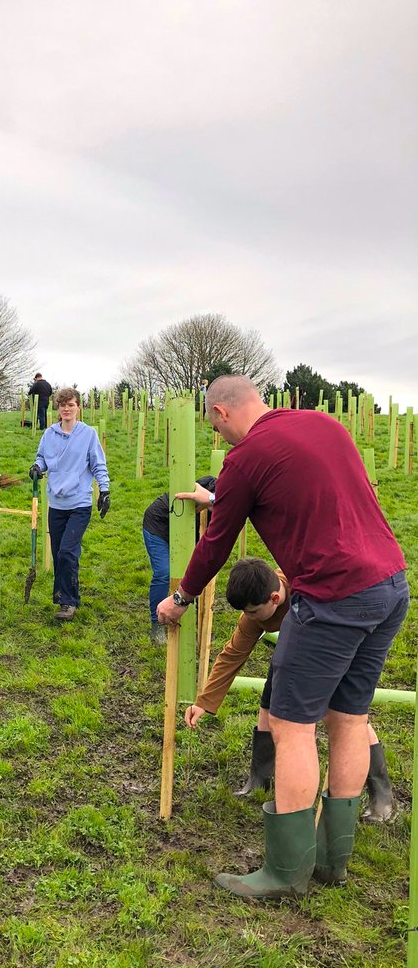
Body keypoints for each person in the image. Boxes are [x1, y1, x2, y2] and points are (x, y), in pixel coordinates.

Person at [156, 375, 408, 900]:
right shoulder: (324, 425)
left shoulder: (244, 458)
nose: (220, 439)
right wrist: (222, 496)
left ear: (222, 413)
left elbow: (217, 544)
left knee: (293, 727)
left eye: (215, 427)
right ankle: (333, 862)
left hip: (333, 596)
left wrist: (179, 598)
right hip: (389, 585)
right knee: (350, 718)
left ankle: (284, 872)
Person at [184, 557, 393, 822]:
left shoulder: (306, 588)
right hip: (296, 640)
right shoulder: (258, 609)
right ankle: (260, 780)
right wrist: (205, 701)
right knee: (272, 698)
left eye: (252, 612)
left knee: (345, 712)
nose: (247, 618)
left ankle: (382, 797)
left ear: (274, 598)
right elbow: (233, 654)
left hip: (336, 632)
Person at [29, 386, 110, 622]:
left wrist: (104, 490)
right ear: (58, 408)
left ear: (78, 408)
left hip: (79, 503)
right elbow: (42, 458)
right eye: (62, 405)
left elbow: (98, 464)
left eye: (71, 405)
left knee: (67, 551)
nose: (66, 409)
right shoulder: (49, 434)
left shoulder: (88, 434)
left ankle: (68, 602)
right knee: (59, 553)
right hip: (56, 503)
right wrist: (38, 467)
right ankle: (65, 595)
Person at [142, 474, 217, 645]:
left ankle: (194, 621)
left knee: (192, 575)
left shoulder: (222, 510)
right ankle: (157, 624)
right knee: (164, 573)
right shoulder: (201, 489)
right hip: (158, 527)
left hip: (187, 535)